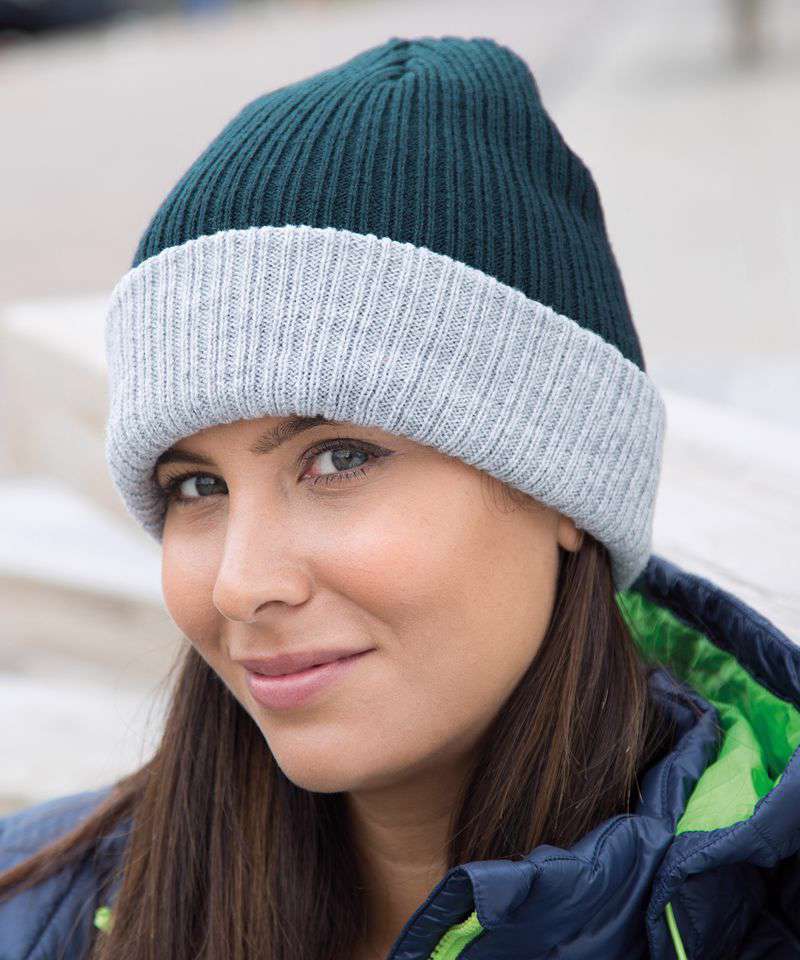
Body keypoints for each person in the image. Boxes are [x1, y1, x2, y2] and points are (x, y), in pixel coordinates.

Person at [1, 35, 798, 960]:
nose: (239, 585)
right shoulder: (38, 911)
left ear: (566, 489)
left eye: (338, 459)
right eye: (197, 485)